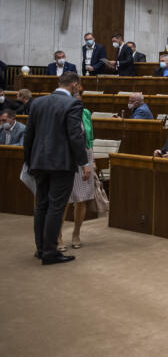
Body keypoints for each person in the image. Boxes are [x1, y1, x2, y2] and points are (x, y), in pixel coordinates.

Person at [23, 71, 87, 264]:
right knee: (56, 207)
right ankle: (51, 252)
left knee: (41, 206)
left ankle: (41, 248)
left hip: (39, 162)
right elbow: (75, 136)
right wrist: (83, 162)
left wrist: (29, 161)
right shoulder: (73, 103)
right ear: (75, 85)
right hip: (61, 164)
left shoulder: (37, 103)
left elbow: (29, 135)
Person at [60, 87, 95, 251]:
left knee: (81, 199)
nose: (79, 104)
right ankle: (58, 237)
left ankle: (76, 234)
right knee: (63, 200)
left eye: (80, 101)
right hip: (67, 157)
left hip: (85, 157)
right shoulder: (61, 113)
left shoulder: (86, 113)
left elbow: (90, 137)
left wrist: (91, 160)